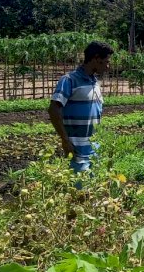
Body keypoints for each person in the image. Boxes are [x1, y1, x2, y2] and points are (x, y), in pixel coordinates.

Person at [48, 41, 114, 173]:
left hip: (94, 147)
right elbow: (53, 109)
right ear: (96, 58)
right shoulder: (69, 80)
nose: (108, 66)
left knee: (93, 189)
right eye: (106, 61)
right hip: (76, 148)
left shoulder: (94, 82)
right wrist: (65, 140)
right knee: (78, 188)